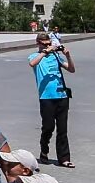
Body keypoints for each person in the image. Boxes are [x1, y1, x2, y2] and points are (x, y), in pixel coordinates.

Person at [28, 32, 75, 168]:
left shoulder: (56, 56)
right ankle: (44, 150)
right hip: (46, 97)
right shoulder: (35, 56)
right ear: (38, 43)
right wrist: (44, 52)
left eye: (49, 43)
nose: (48, 46)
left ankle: (64, 158)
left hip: (61, 96)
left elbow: (71, 70)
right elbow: (32, 63)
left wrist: (67, 56)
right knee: (48, 127)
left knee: (62, 129)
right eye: (45, 44)